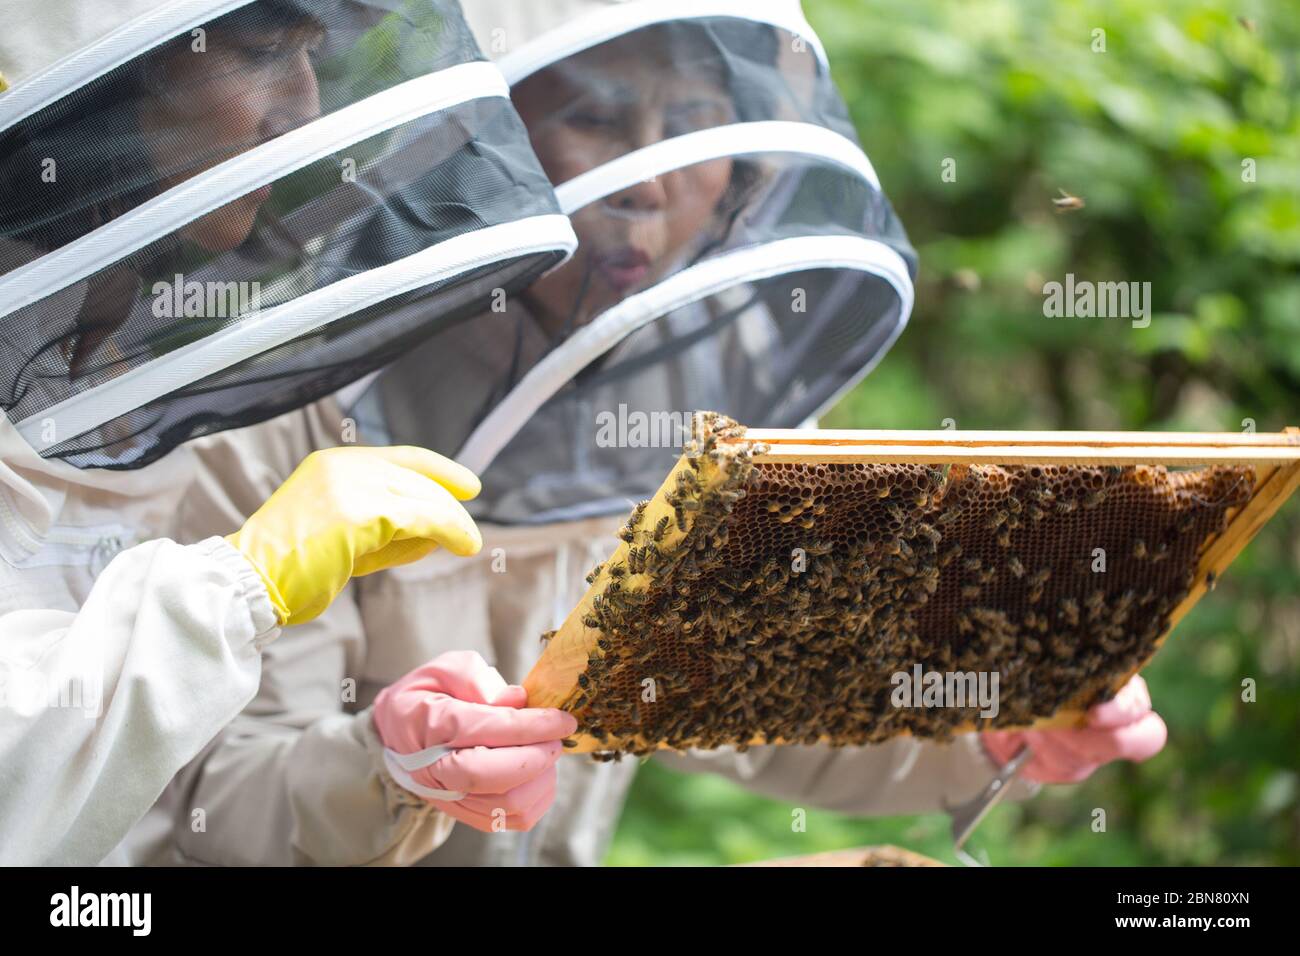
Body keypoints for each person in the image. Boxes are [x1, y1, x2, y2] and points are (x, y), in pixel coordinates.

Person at [121, 0, 1165, 867]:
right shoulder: (287, 397)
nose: (655, 181)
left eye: (699, 120)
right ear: (483, 139)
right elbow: (227, 805)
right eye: (601, 119)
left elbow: (758, 698)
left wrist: (985, 720)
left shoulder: (706, 377)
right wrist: (396, 763)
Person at [0, 0, 575, 865]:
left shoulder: (122, 361)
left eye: (310, 56)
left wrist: (391, 764)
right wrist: (237, 585)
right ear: (107, 81)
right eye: (265, 52)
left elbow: (180, 812)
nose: (306, 108)